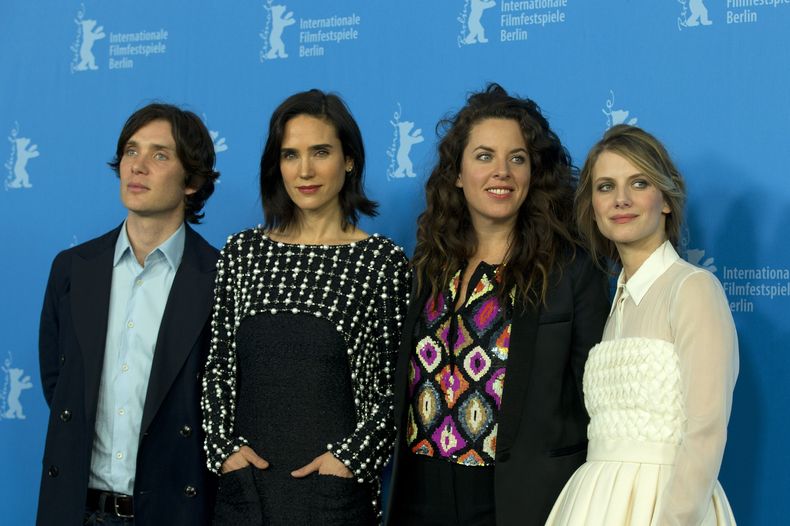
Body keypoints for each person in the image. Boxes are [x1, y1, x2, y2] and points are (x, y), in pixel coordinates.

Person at [385, 84, 610, 526]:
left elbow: (598, 405)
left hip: (515, 499)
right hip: (417, 493)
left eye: (517, 158)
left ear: (534, 174)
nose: (501, 172)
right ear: (456, 172)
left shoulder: (571, 271)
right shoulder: (429, 264)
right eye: (484, 156)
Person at [202, 89, 410, 525]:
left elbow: (396, 386)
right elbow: (218, 365)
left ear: (349, 159)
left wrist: (350, 461)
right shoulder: (242, 254)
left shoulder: (380, 262)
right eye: (290, 155)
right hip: (246, 496)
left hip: (335, 499)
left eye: (321, 152)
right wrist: (224, 452)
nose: (305, 170)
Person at [37, 103, 221, 525]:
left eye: (160, 155)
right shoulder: (72, 269)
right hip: (75, 511)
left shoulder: (218, 277)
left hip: (172, 513)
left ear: (191, 181)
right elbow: (59, 384)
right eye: (131, 151)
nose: (137, 166)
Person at [546, 124, 738, 525]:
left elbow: (706, 431)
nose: (621, 199)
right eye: (605, 187)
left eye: (638, 183)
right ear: (592, 206)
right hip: (596, 504)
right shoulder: (615, 302)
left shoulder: (693, 289)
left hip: (668, 505)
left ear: (666, 200)